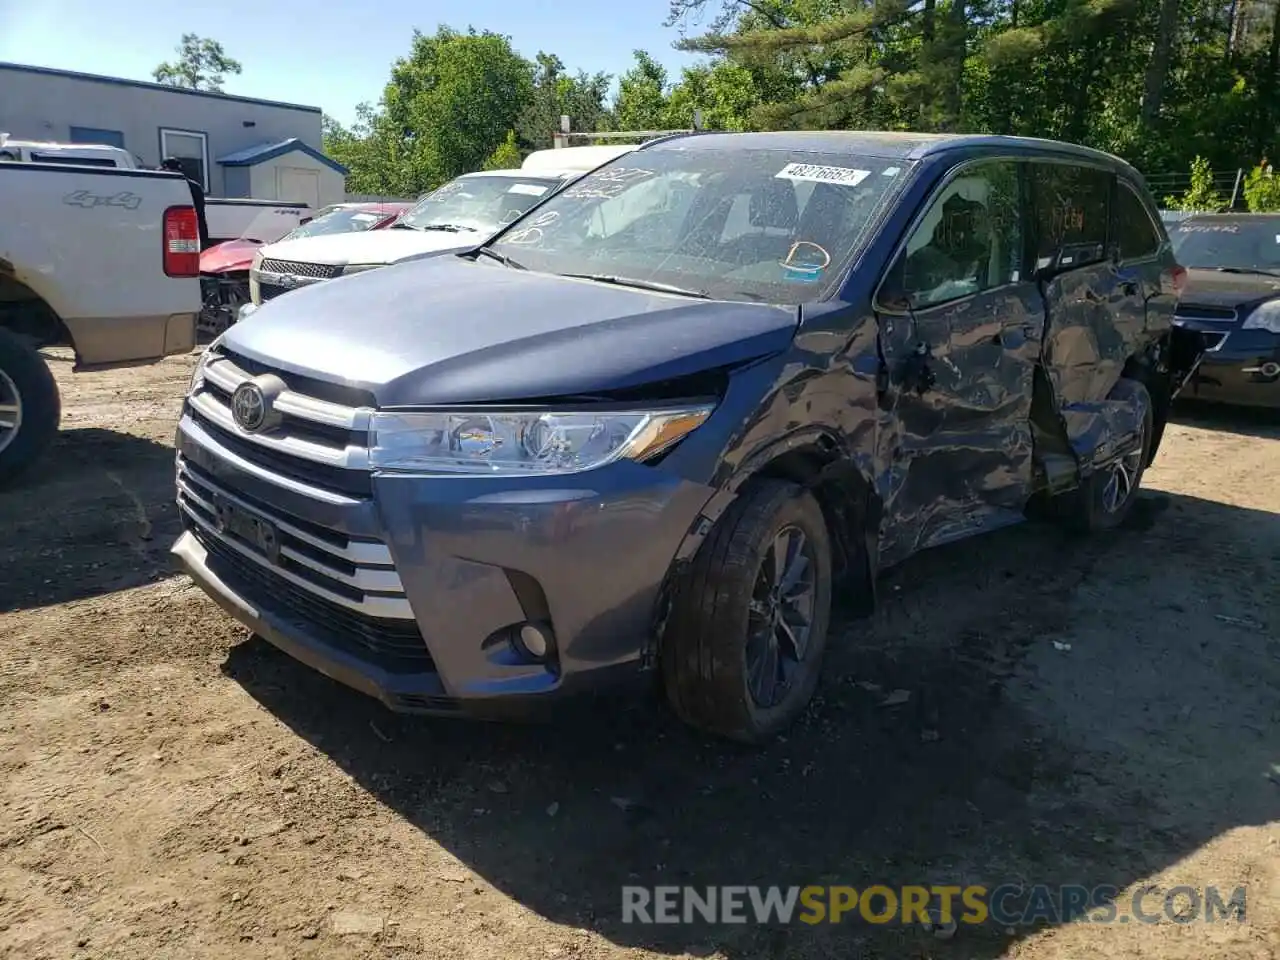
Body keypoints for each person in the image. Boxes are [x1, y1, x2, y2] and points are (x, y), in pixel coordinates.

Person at [160, 157, 210, 248]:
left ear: (167, 169)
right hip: (194, 233)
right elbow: (200, 214)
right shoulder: (195, 186)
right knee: (190, 260)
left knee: (178, 258)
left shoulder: (169, 187)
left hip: (177, 234)